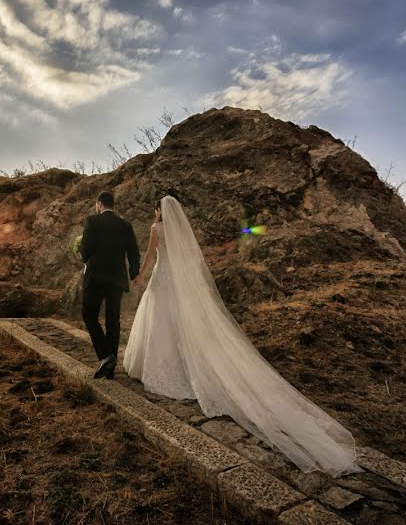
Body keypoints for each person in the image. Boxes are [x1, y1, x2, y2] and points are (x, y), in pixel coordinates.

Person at [123, 195, 362, 476]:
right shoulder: (181, 231)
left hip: (162, 279)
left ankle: (159, 368)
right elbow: (192, 258)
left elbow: (151, 255)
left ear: (158, 211)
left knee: (160, 322)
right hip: (178, 282)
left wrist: (139, 275)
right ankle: (185, 366)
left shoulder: (157, 229)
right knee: (177, 324)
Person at [80, 191, 140, 380]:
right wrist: (134, 274)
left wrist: (82, 252)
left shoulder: (92, 221)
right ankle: (110, 367)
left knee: (89, 315)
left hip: (96, 277)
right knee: (113, 321)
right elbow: (133, 253)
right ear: (112, 205)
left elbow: (86, 250)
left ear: (99, 204)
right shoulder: (125, 225)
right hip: (116, 279)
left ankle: (106, 357)